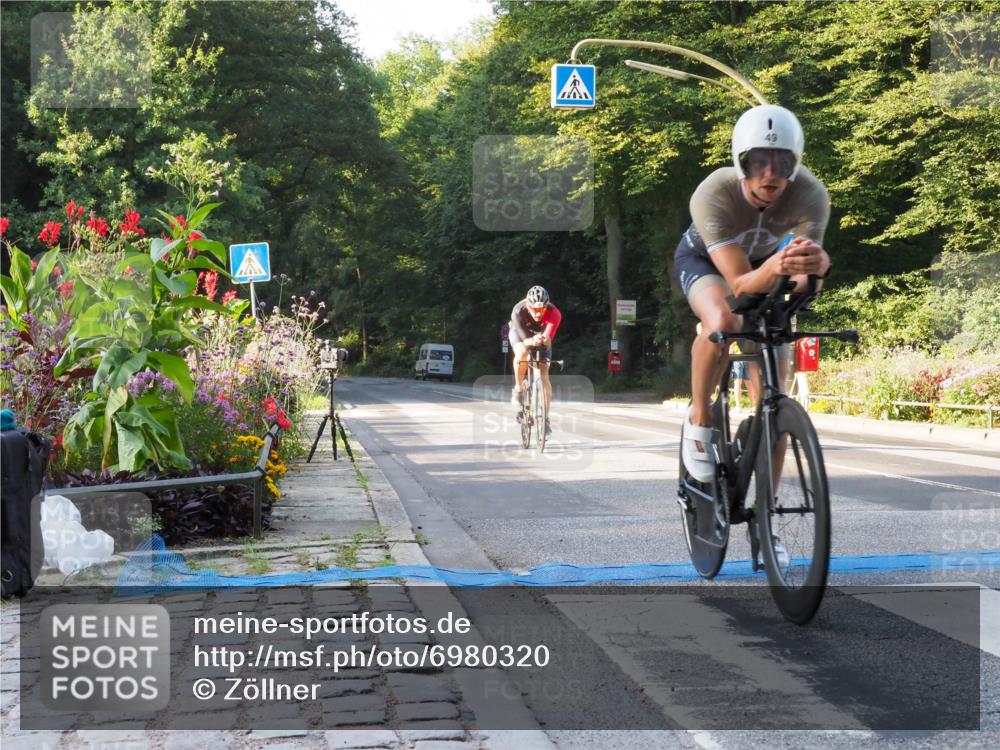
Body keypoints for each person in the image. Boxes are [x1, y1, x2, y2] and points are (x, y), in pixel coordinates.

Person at [674, 105, 832, 562]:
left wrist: (817, 270)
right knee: (725, 322)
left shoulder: (811, 194)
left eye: (781, 163)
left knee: (776, 392)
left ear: (795, 164)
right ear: (740, 162)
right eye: (757, 162)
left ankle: (766, 522)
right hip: (709, 265)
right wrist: (779, 267)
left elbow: (802, 284)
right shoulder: (714, 193)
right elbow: (740, 285)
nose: (769, 173)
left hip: (767, 268)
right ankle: (701, 417)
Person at [508, 285, 562, 437]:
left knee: (543, 372)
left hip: (540, 336)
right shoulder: (518, 311)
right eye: (534, 310)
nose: (538, 314)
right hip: (520, 334)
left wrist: (544, 339)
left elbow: (548, 339)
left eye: (541, 310)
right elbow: (525, 341)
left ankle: (545, 419)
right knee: (523, 353)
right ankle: (518, 390)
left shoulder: (554, 313)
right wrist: (532, 340)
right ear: (528, 305)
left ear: (546, 306)